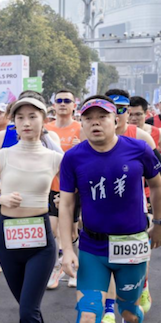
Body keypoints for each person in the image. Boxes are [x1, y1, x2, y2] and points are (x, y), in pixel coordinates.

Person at [58, 96, 161, 323]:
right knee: (88, 315)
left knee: (129, 314)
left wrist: (158, 224)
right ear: (81, 123)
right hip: (93, 248)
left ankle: (138, 292)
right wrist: (66, 249)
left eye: (102, 117)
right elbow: (65, 205)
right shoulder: (72, 158)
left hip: (132, 244)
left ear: (115, 119)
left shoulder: (139, 149)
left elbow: (157, 184)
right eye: (88, 118)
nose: (95, 123)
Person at [0, 96, 63, 322]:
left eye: (32, 117)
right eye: (20, 117)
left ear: (43, 120)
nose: (26, 123)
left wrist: (64, 200)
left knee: (27, 311)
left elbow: (73, 191)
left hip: (41, 240)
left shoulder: (55, 158)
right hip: (8, 238)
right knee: (29, 308)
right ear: (13, 122)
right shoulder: (2, 155)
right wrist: (1, 198)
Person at [43, 89, 83, 290]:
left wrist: (81, 145)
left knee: (71, 230)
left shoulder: (80, 128)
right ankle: (56, 268)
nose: (63, 104)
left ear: (74, 105)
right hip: (50, 186)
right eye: (59, 100)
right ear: (53, 105)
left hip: (73, 188)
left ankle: (73, 267)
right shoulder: (46, 128)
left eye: (67, 100)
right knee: (52, 229)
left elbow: (91, 154)